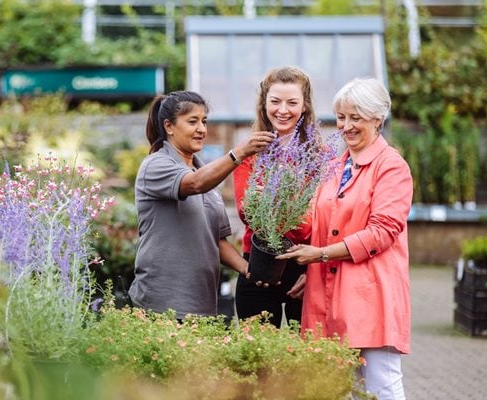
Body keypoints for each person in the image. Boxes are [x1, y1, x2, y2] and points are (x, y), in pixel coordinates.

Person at [277, 77, 413, 399]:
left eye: (356, 118)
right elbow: (316, 223)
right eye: (341, 117)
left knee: (381, 387)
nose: (346, 126)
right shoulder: (336, 167)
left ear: (378, 119)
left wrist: (321, 255)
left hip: (372, 294)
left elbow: (382, 231)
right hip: (328, 293)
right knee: (341, 388)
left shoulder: (391, 167)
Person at [128, 90, 275, 320]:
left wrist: (250, 271)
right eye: (192, 121)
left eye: (204, 121)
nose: (202, 129)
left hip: (202, 304)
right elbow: (195, 184)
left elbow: (217, 240)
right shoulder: (156, 165)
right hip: (162, 303)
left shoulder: (202, 171)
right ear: (169, 126)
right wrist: (240, 152)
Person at [233, 66, 314, 327]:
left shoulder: (319, 156)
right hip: (257, 266)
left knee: (303, 363)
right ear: (264, 103)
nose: (283, 110)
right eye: (275, 101)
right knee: (256, 360)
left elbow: (311, 225)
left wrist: (272, 200)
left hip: (303, 268)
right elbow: (248, 215)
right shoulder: (250, 151)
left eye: (292, 102)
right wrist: (281, 205)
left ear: (305, 106)